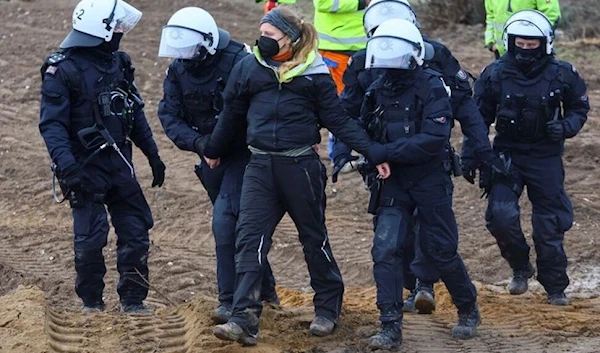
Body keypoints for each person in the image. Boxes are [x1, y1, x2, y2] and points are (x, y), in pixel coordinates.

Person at [202, 7, 389, 346]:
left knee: (313, 238)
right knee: (249, 238)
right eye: (262, 34)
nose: (263, 41)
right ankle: (244, 317)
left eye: (271, 36)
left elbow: (338, 120)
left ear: (290, 38)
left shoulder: (314, 74)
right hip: (259, 167)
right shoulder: (249, 67)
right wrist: (213, 149)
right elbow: (231, 114)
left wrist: (373, 152)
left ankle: (327, 307)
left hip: (300, 166)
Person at [332, 0, 494, 315]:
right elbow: (347, 114)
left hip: (426, 165)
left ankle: (427, 286)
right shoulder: (363, 64)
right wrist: (343, 151)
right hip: (386, 169)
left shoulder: (436, 63)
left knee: (435, 238)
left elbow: (464, 106)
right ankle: (403, 301)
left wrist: (480, 151)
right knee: (391, 240)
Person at [361, 18, 481, 350]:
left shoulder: (432, 85)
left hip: (430, 179)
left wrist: (383, 152)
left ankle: (468, 309)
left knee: (441, 250)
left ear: (413, 55)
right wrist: (367, 154)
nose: (390, 66)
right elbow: (363, 127)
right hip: (392, 182)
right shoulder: (377, 88)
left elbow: (433, 138)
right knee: (385, 249)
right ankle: (389, 325)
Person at [39, 0, 166, 314]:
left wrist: (152, 153)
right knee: (91, 239)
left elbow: (132, 112)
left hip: (119, 164)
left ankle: (133, 300)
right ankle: (92, 303)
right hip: (83, 167)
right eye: (117, 26)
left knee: (136, 231)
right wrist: (67, 167)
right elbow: (51, 124)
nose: (122, 31)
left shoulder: (118, 63)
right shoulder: (62, 69)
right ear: (102, 29)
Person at [156, 7, 279, 324]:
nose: (183, 56)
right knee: (240, 227)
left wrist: (218, 145)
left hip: (244, 154)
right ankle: (265, 293)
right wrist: (201, 145)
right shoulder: (178, 70)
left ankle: (229, 301)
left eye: (189, 49)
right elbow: (169, 115)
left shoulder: (241, 61)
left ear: (208, 43)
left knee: (226, 223)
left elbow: (258, 111)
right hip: (210, 158)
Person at [473, 10, 589, 305]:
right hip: (506, 155)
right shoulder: (495, 73)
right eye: (520, 44)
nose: (525, 50)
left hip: (545, 157)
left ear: (545, 43)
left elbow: (579, 107)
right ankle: (520, 267)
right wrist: (472, 155)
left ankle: (554, 286)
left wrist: (565, 127)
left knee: (548, 225)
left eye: (532, 45)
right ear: (510, 42)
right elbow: (476, 118)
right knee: (501, 217)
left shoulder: (562, 73)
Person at [314, 0, 370, 170]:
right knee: (341, 104)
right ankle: (340, 156)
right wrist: (362, 2)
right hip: (337, 49)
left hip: (366, 46)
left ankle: (364, 150)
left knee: (367, 102)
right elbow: (324, 3)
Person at [484, 0, 561, 58]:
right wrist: (490, 42)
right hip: (502, 53)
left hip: (533, 54)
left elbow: (551, 16)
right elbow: (490, 17)